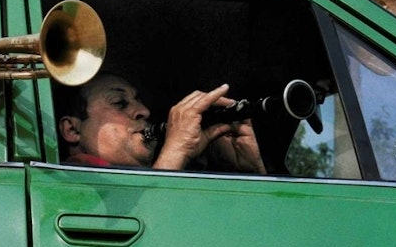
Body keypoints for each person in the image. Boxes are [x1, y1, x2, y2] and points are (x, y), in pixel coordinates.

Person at [56, 72, 265, 173]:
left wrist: (250, 172)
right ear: (72, 130)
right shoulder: (67, 181)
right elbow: (140, 227)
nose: (144, 111)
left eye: (138, 100)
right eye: (119, 102)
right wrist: (176, 150)